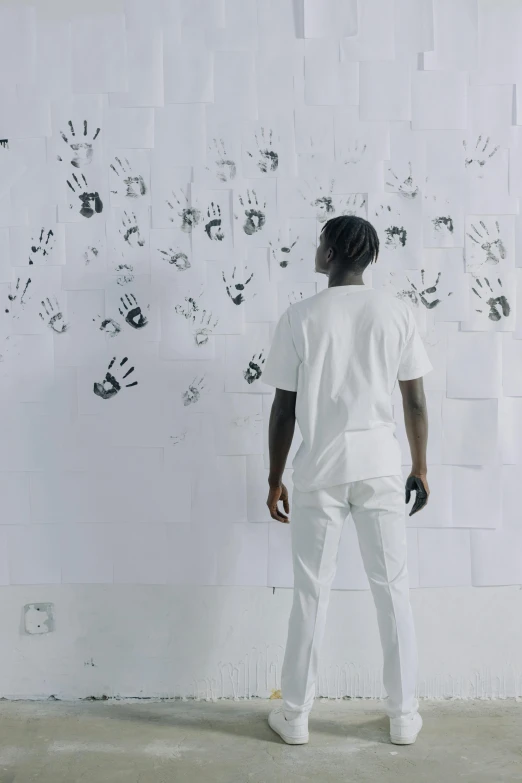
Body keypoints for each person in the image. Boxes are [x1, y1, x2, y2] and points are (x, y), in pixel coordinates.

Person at [261, 215, 432, 746]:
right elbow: (416, 399)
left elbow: (284, 408)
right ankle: (403, 717)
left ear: (332, 253)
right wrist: (420, 466)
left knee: (311, 593)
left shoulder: (299, 318)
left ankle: (295, 717)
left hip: (320, 472)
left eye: (320, 242)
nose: (315, 249)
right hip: (381, 467)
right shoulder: (398, 313)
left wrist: (274, 476)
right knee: (393, 591)